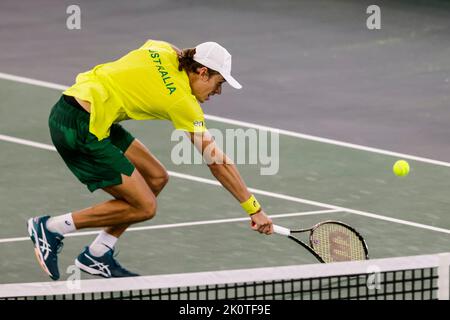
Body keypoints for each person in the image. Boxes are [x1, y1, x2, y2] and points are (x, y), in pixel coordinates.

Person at [27, 40, 273, 280]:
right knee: (144, 207)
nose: (217, 92)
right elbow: (217, 162)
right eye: (218, 83)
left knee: (156, 177)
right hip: (78, 128)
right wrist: (255, 210)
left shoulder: (162, 48)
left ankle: (98, 253)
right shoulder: (182, 102)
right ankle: (51, 228)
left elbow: (171, 53)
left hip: (89, 112)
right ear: (202, 71)